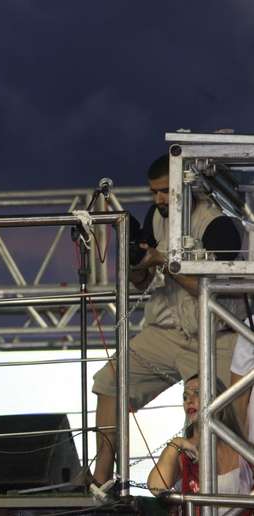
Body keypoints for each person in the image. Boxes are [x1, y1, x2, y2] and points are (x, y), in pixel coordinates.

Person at [91, 154, 243, 486]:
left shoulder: (218, 225)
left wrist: (164, 260)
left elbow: (210, 292)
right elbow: (142, 283)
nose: (159, 199)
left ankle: (223, 491)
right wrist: (137, 260)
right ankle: (101, 479)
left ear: (187, 188)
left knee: (231, 418)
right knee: (109, 381)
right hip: (165, 331)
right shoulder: (156, 216)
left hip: (215, 333)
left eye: (164, 192)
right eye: (154, 192)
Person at [148, 375, 253, 515]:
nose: (189, 401)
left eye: (197, 393)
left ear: (218, 399)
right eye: (185, 397)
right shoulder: (181, 451)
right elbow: (156, 487)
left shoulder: (243, 448)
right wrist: (176, 443)